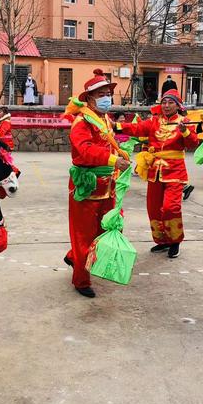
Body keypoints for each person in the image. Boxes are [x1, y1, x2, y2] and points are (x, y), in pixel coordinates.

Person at [64, 69, 131, 298]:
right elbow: (84, 150)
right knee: (84, 235)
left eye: (108, 93)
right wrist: (113, 159)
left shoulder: (105, 120)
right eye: (101, 94)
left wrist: (121, 152)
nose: (106, 98)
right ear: (89, 99)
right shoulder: (81, 123)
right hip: (87, 187)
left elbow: (108, 144)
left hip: (107, 186)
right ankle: (81, 281)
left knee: (107, 229)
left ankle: (75, 257)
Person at [117, 89, 198, 258]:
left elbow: (192, 143)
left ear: (178, 105)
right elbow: (136, 128)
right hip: (154, 171)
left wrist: (185, 131)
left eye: (170, 103)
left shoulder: (185, 122)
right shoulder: (154, 121)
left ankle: (174, 241)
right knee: (153, 209)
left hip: (175, 171)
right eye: (164, 102)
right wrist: (115, 126)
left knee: (171, 207)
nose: (166, 106)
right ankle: (162, 241)